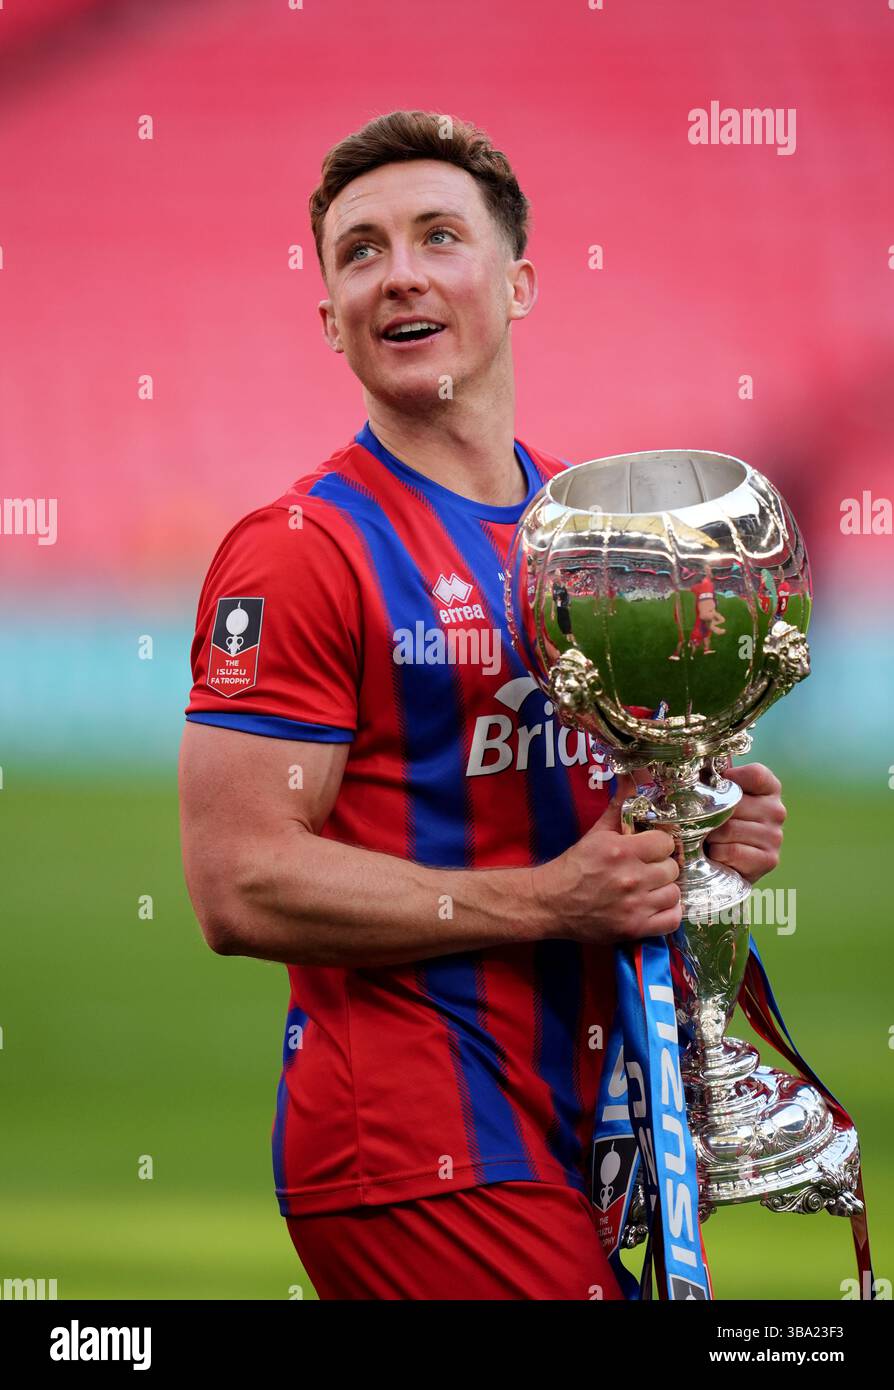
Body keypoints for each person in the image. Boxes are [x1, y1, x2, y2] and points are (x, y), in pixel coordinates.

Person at [178, 110, 786, 1300]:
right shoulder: (302, 551)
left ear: (518, 282)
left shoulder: (591, 534)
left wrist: (699, 825)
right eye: (360, 252)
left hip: (590, 1122)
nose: (397, 272)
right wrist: (553, 899)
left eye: (437, 237)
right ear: (329, 320)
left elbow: (596, 815)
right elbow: (237, 879)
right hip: (418, 1147)